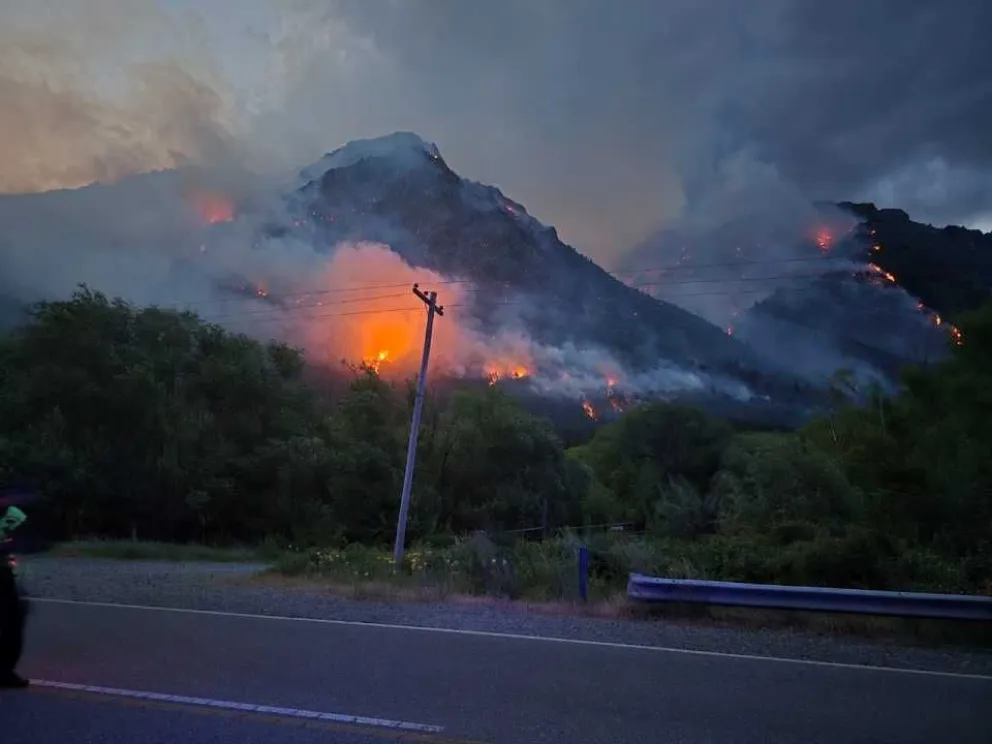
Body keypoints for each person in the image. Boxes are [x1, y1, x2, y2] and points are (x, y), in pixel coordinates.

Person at [0, 502, 30, 688]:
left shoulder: (13, 513)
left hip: (3, 574)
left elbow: (26, 537)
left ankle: (4, 670)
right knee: (8, 623)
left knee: (12, 622)